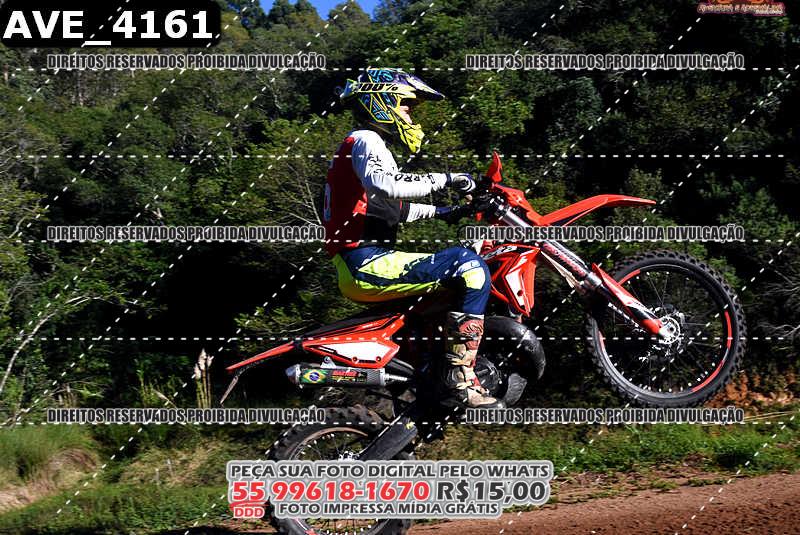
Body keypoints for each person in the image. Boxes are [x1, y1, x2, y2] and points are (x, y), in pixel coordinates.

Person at [322, 68, 502, 409]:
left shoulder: (360, 147)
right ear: (382, 102)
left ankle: (429, 370)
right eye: (407, 105)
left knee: (454, 274)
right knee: (469, 267)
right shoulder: (366, 139)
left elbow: (391, 209)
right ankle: (460, 379)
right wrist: (451, 179)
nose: (410, 114)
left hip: (360, 263)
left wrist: (447, 212)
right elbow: (388, 186)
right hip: (365, 262)